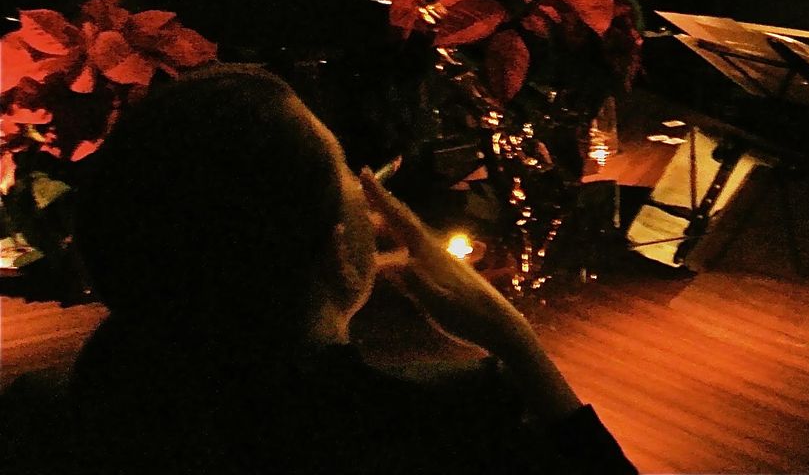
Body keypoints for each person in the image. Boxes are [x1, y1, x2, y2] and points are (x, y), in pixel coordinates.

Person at [3, 65, 634, 475]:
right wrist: (513, 339)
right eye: (349, 180)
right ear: (336, 246)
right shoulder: (441, 426)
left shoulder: (52, 412)